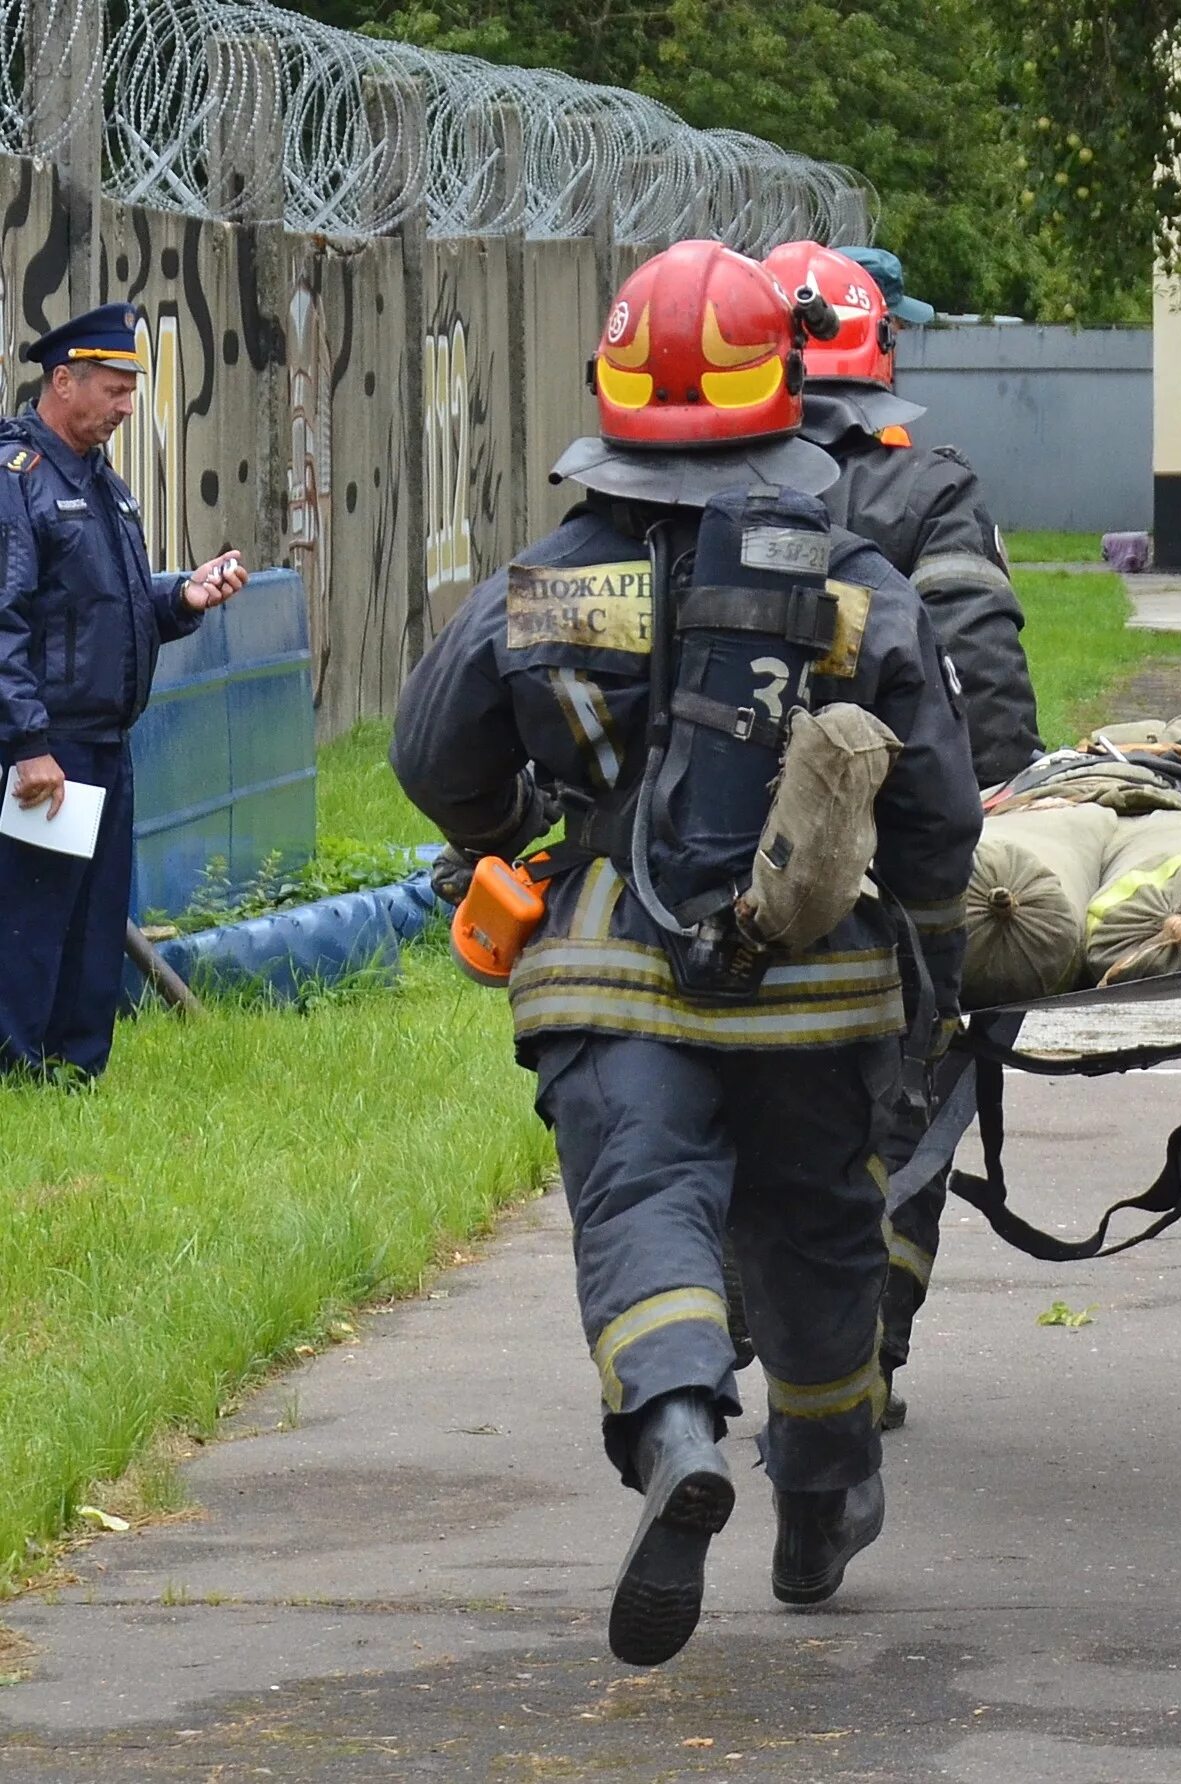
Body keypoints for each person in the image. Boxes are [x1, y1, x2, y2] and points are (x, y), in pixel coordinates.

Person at [390, 241, 981, 1666]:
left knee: (643, 1200)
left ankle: (672, 1427)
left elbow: (429, 755)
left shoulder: (544, 581)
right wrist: (934, 959)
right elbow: (939, 811)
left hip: (612, 976)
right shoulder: (855, 585)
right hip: (816, 990)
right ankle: (821, 1501)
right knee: (819, 1235)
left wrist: (528, 817)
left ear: (610, 388)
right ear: (783, 392)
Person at [762, 239, 1044, 1427]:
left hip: (722, 860)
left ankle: (752, 1308)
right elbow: (975, 659)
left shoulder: (690, 484)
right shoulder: (923, 485)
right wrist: (1009, 792)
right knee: (915, 1079)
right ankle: (872, 1334)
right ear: (876, 361)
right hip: (891, 852)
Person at [0, 302, 249, 1080]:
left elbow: (107, 605)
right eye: (112, 389)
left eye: (129, 391)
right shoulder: (21, 482)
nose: (125, 407)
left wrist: (181, 600)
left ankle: (77, 1073)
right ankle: (19, 1071)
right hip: (54, 747)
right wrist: (28, 743)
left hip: (106, 741)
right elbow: (3, 618)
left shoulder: (100, 482)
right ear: (64, 380)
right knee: (35, 917)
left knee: (94, 916)